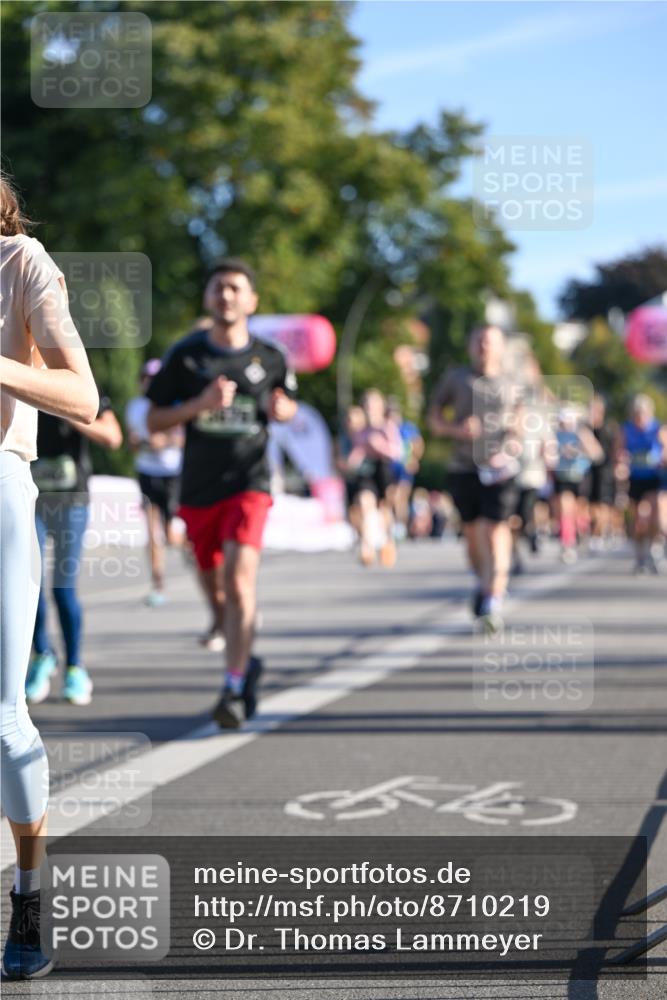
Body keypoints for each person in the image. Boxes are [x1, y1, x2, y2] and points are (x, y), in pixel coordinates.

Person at [1, 173, 98, 978]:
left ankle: (28, 894)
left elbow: (82, 393)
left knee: (3, 719)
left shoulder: (22, 261)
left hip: (0, 484)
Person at [146, 258, 298, 728]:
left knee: (238, 581)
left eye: (236, 288)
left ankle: (233, 686)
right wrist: (200, 404)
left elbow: (288, 405)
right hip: (197, 491)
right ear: (208, 298)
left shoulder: (271, 357)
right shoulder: (186, 355)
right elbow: (153, 420)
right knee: (216, 591)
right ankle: (246, 661)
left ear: (252, 300)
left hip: (249, 485)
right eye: (218, 288)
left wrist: (283, 409)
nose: (226, 295)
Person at [25, 397, 122, 706]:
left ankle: (75, 667)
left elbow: (113, 437)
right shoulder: (15, 378)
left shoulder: (72, 378)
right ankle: (42, 655)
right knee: (28, 587)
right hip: (31, 501)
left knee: (64, 589)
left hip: (71, 502)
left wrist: (74, 415)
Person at [428, 325, 521, 632]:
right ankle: (484, 583)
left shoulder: (512, 383)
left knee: (495, 530)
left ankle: (493, 598)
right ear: (470, 346)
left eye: (489, 342)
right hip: (464, 466)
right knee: (472, 536)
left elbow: (523, 426)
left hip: (500, 469)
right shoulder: (456, 378)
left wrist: (510, 446)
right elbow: (434, 419)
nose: (483, 346)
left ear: (501, 347)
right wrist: (456, 429)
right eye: (478, 341)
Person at [126, 359, 184, 607]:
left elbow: (183, 438)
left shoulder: (175, 402)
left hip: (172, 472)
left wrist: (166, 442)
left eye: (154, 379)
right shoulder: (135, 407)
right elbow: (131, 442)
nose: (149, 383)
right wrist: (141, 444)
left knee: (171, 536)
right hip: (147, 471)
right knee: (151, 533)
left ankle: (197, 552)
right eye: (146, 378)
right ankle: (158, 585)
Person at [343, 388, 403, 567]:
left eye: (374, 404)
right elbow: (358, 450)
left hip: (384, 471)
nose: (370, 408)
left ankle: (386, 541)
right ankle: (366, 546)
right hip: (367, 472)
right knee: (364, 502)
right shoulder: (361, 430)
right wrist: (352, 461)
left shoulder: (387, 426)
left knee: (384, 508)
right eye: (367, 405)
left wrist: (379, 446)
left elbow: (397, 452)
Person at [620, 394, 666, 574]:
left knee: (656, 515)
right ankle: (640, 556)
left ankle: (655, 548)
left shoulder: (658, 429)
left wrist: (660, 457)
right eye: (637, 414)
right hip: (635, 478)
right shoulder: (626, 429)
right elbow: (620, 451)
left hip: (654, 477)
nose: (640, 418)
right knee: (638, 519)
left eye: (643, 414)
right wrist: (622, 462)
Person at [551, 406, 602, 563]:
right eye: (562, 421)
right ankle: (567, 544)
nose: (564, 424)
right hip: (562, 476)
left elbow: (597, 454)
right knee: (564, 509)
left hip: (580, 476)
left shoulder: (581, 433)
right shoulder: (555, 434)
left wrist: (581, 447)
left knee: (579, 512)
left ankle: (582, 533)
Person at [386, 397, 424, 540]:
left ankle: (401, 526)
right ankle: (393, 525)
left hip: (404, 467)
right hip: (390, 468)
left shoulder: (407, 427)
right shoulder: (386, 427)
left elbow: (418, 444)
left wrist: (415, 459)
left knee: (401, 497)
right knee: (391, 497)